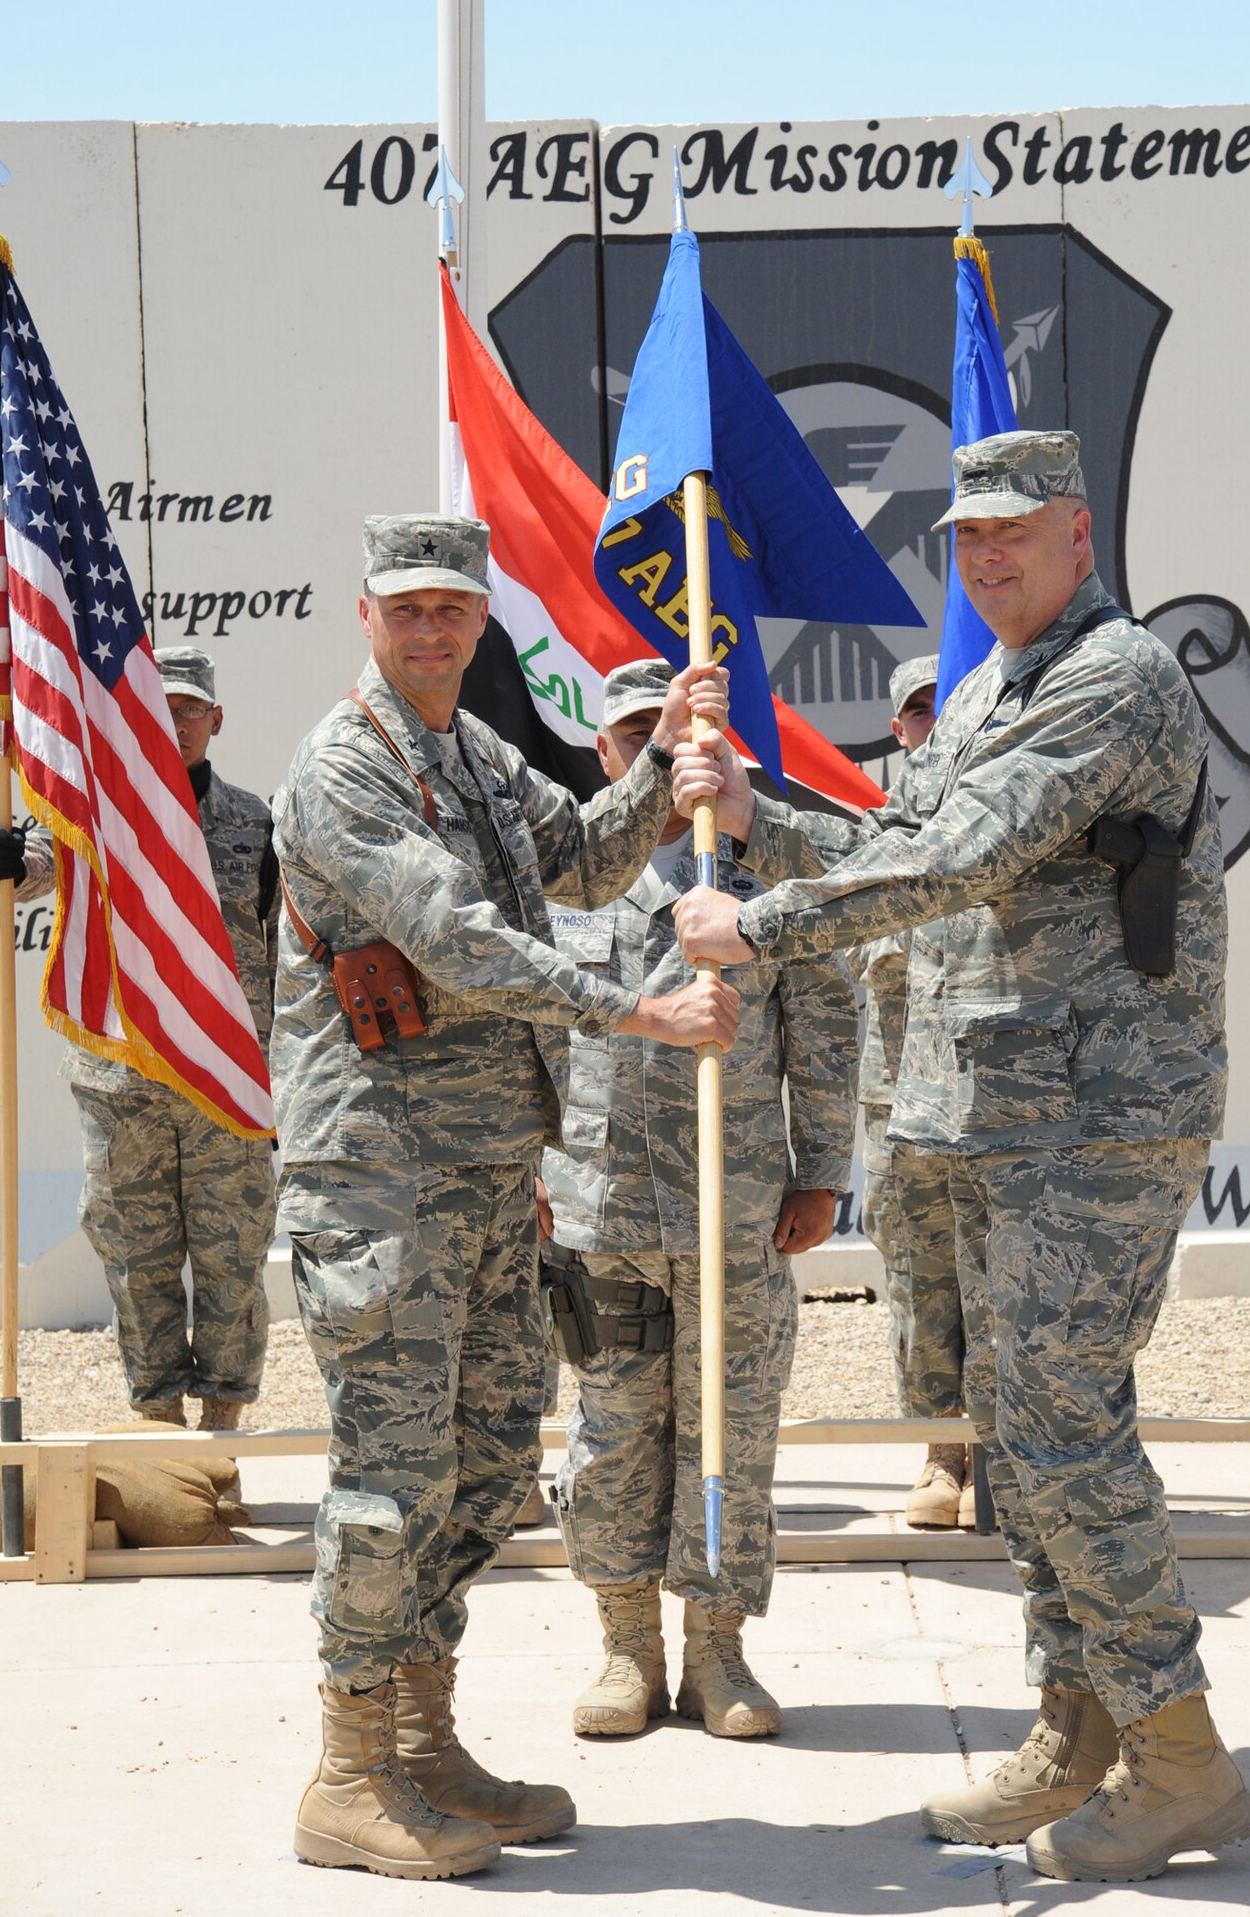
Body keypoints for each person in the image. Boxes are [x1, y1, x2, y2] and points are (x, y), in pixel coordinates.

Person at [670, 431, 1250, 1884]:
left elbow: (967, 856)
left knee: (1060, 1426)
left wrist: (758, 923)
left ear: (1077, 534)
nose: (988, 559)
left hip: (1102, 1111)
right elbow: (903, 833)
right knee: (1018, 1431)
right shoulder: (998, 682)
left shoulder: (1113, 677)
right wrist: (761, 823)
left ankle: (1179, 1759)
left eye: (1015, 533)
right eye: (966, 541)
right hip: (1006, 1109)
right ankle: (1077, 1729)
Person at [272, 515, 739, 1883]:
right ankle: (346, 1774)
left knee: (479, 1468)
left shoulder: (471, 756)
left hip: (482, 1173)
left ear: (481, 621)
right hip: (380, 1176)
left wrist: (663, 765)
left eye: (452, 612)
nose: (431, 633)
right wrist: (629, 1010)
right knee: (389, 1474)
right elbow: (457, 938)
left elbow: (583, 863)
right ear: (365, 616)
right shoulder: (346, 767)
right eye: (407, 610)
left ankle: (424, 1744)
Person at [541, 659, 859, 1742]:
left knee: (730, 1429)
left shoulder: (759, 874)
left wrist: (822, 1168)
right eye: (638, 735)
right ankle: (626, 1645)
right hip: (601, 1210)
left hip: (737, 1206)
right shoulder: (560, 876)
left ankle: (716, 1648)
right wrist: (530, 1176)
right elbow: (522, 1031)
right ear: (605, 750)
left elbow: (823, 1022)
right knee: (613, 1431)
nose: (659, 756)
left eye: (675, 737)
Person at [0, 645, 277, 1432]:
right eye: (159, 709)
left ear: (216, 721)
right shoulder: (94, 816)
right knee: (135, 1260)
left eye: (189, 710)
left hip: (226, 1080)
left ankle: (219, 1440)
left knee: (233, 1261)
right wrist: (10, 859)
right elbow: (45, 864)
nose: (174, 723)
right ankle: (156, 1438)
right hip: (123, 1085)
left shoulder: (259, 822)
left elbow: (287, 945)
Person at [850, 655, 971, 1530]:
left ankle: (1018, 1456)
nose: (930, 723)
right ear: (898, 729)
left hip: (996, 1093)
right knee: (922, 1283)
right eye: (917, 711)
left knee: (1013, 1279)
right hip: (898, 1097)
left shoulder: (1009, 825)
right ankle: (942, 1449)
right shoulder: (871, 834)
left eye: (946, 707)